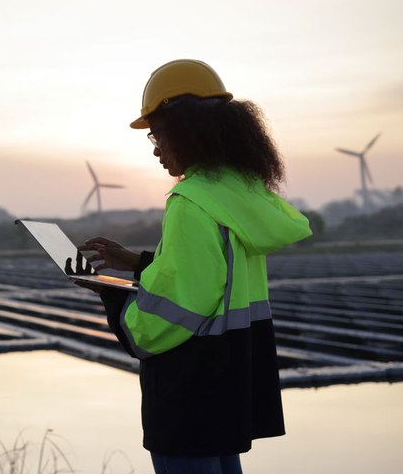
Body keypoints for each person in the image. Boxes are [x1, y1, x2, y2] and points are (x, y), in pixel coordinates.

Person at [76, 59, 312, 474]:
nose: (154, 147)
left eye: (157, 133)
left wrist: (111, 293)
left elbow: (162, 323)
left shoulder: (191, 202)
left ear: (187, 129)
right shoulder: (239, 196)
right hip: (226, 390)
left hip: (188, 397)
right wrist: (139, 262)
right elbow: (214, 278)